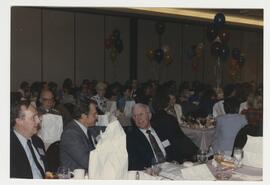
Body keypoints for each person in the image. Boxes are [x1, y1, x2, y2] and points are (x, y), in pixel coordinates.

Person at [126, 103, 198, 170]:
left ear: (149, 115)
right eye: (135, 116)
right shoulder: (131, 138)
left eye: (141, 114)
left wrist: (177, 160)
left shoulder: (162, 128)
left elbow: (174, 147)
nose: (138, 119)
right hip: (151, 172)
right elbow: (133, 163)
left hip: (171, 167)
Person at [10, 100, 48, 178]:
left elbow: (47, 170)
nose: (38, 120)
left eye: (37, 116)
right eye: (33, 118)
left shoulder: (38, 141)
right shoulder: (9, 148)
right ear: (19, 121)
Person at [59, 100, 98, 171]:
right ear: (83, 116)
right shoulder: (70, 134)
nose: (96, 117)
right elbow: (87, 162)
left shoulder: (87, 128)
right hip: (76, 177)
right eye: (94, 114)